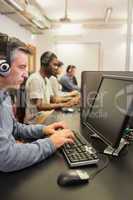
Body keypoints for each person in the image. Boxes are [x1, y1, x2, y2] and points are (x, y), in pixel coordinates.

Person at [0, 33, 75, 172]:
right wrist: (51, 143)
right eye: (22, 67)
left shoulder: (4, 95)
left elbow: (14, 128)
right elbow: (5, 158)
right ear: (3, 67)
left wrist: (44, 129)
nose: (26, 74)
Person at [25, 51, 76, 122]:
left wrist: (70, 101)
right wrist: (64, 104)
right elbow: (40, 106)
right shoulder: (36, 79)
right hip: (35, 121)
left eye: (57, 65)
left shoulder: (46, 79)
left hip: (44, 116)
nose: (56, 68)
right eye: (54, 65)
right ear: (45, 64)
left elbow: (53, 99)